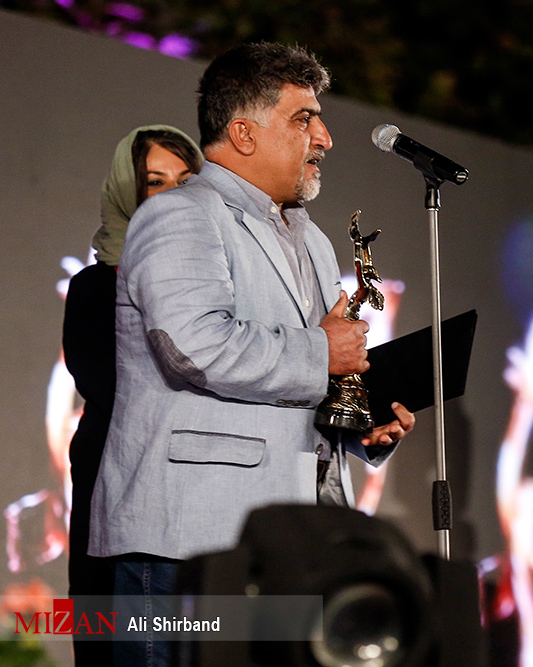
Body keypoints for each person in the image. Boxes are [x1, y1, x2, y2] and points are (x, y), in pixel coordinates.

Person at [88, 43, 414, 666]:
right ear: (242, 132)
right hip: (186, 538)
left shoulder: (312, 239)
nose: (324, 137)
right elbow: (195, 346)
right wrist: (321, 355)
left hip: (287, 542)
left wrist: (357, 427)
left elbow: (302, 381)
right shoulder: (180, 215)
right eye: (303, 118)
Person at [63, 125, 202, 667]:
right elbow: (114, 388)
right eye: (156, 181)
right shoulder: (96, 287)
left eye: (187, 180)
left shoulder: (216, 280)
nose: (174, 193)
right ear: (130, 191)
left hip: (198, 498)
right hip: (117, 486)